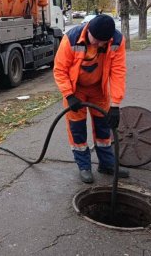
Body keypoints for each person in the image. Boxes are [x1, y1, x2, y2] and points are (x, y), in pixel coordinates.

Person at [53, 14, 129, 184]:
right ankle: (84, 167)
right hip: (76, 90)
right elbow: (60, 70)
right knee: (77, 129)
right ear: (89, 31)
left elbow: (118, 72)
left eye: (104, 41)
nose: (101, 44)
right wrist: (69, 95)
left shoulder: (116, 41)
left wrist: (115, 105)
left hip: (98, 90)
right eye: (97, 40)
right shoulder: (71, 39)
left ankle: (107, 165)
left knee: (104, 128)